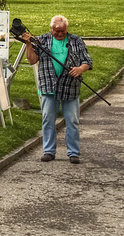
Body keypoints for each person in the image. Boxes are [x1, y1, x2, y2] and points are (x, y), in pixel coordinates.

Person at [19, 14, 92, 163]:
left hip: (70, 86)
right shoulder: (42, 40)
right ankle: (49, 151)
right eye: (56, 31)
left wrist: (80, 69)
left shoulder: (76, 41)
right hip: (48, 85)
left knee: (72, 120)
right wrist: (28, 44)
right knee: (48, 119)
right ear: (51, 29)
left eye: (62, 31)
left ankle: (73, 153)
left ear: (67, 30)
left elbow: (87, 61)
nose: (59, 34)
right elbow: (32, 60)